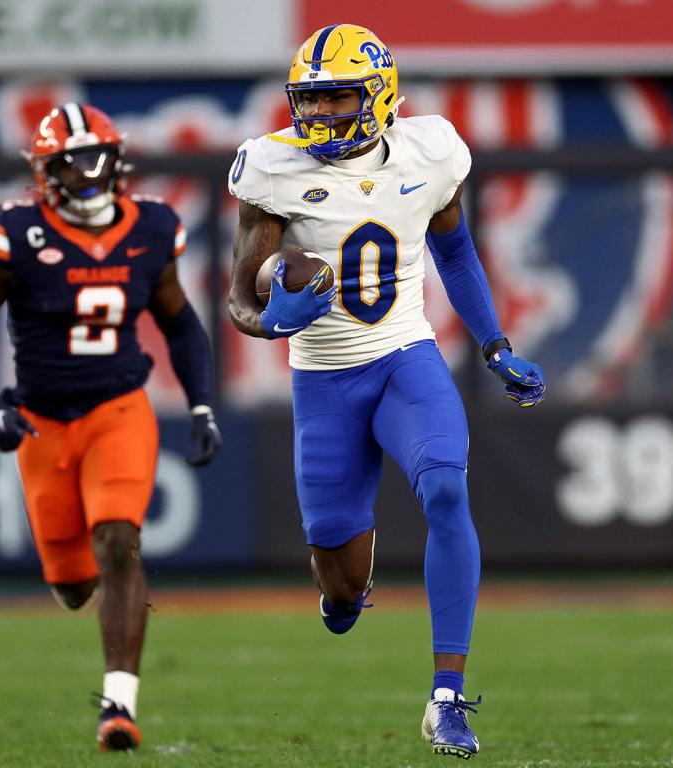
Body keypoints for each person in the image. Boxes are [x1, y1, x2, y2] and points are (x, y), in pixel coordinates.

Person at [228, 24, 545, 759]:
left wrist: (495, 345)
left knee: (446, 491)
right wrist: (273, 322)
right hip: (325, 382)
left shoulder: (430, 150)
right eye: (310, 100)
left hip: (406, 359)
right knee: (343, 586)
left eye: (338, 97)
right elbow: (241, 298)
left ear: (379, 97)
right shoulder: (272, 168)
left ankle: (448, 699)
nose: (320, 115)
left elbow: (455, 248)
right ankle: (341, 599)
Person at [0, 102, 222, 752]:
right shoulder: (16, 231)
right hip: (42, 421)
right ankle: (112, 600)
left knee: (119, 539)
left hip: (118, 407)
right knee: (72, 587)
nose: (87, 173)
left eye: (97, 158)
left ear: (117, 161)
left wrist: (202, 402)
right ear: (46, 172)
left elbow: (180, 321)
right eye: (71, 163)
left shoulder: (152, 227)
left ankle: (118, 706)